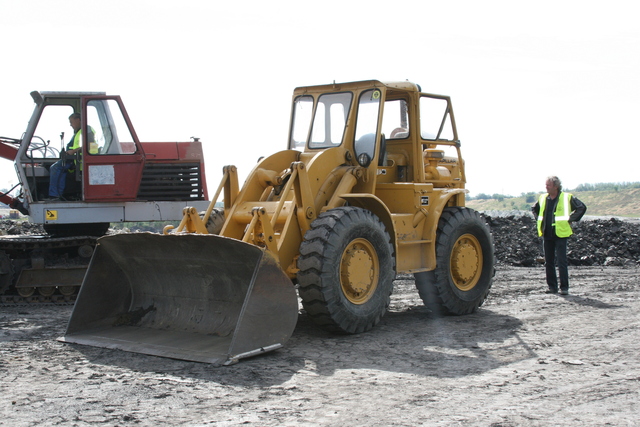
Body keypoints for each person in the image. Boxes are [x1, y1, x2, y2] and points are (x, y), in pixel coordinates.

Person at [532, 176, 587, 295]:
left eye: (548, 185)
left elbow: (581, 207)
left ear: (556, 187)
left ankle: (564, 288)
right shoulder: (543, 198)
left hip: (561, 233)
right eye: (546, 185)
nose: (546, 187)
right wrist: (539, 221)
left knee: (562, 261)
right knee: (549, 262)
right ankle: (552, 287)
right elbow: (534, 209)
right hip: (547, 233)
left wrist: (571, 219)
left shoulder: (567, 197)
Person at [48, 113, 95, 199]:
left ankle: (54, 195)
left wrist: (73, 151)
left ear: (78, 120)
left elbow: (89, 145)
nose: (70, 125)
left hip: (81, 161)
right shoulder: (79, 132)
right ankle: (58, 194)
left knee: (55, 167)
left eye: (71, 122)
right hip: (75, 159)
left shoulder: (86, 130)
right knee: (60, 169)